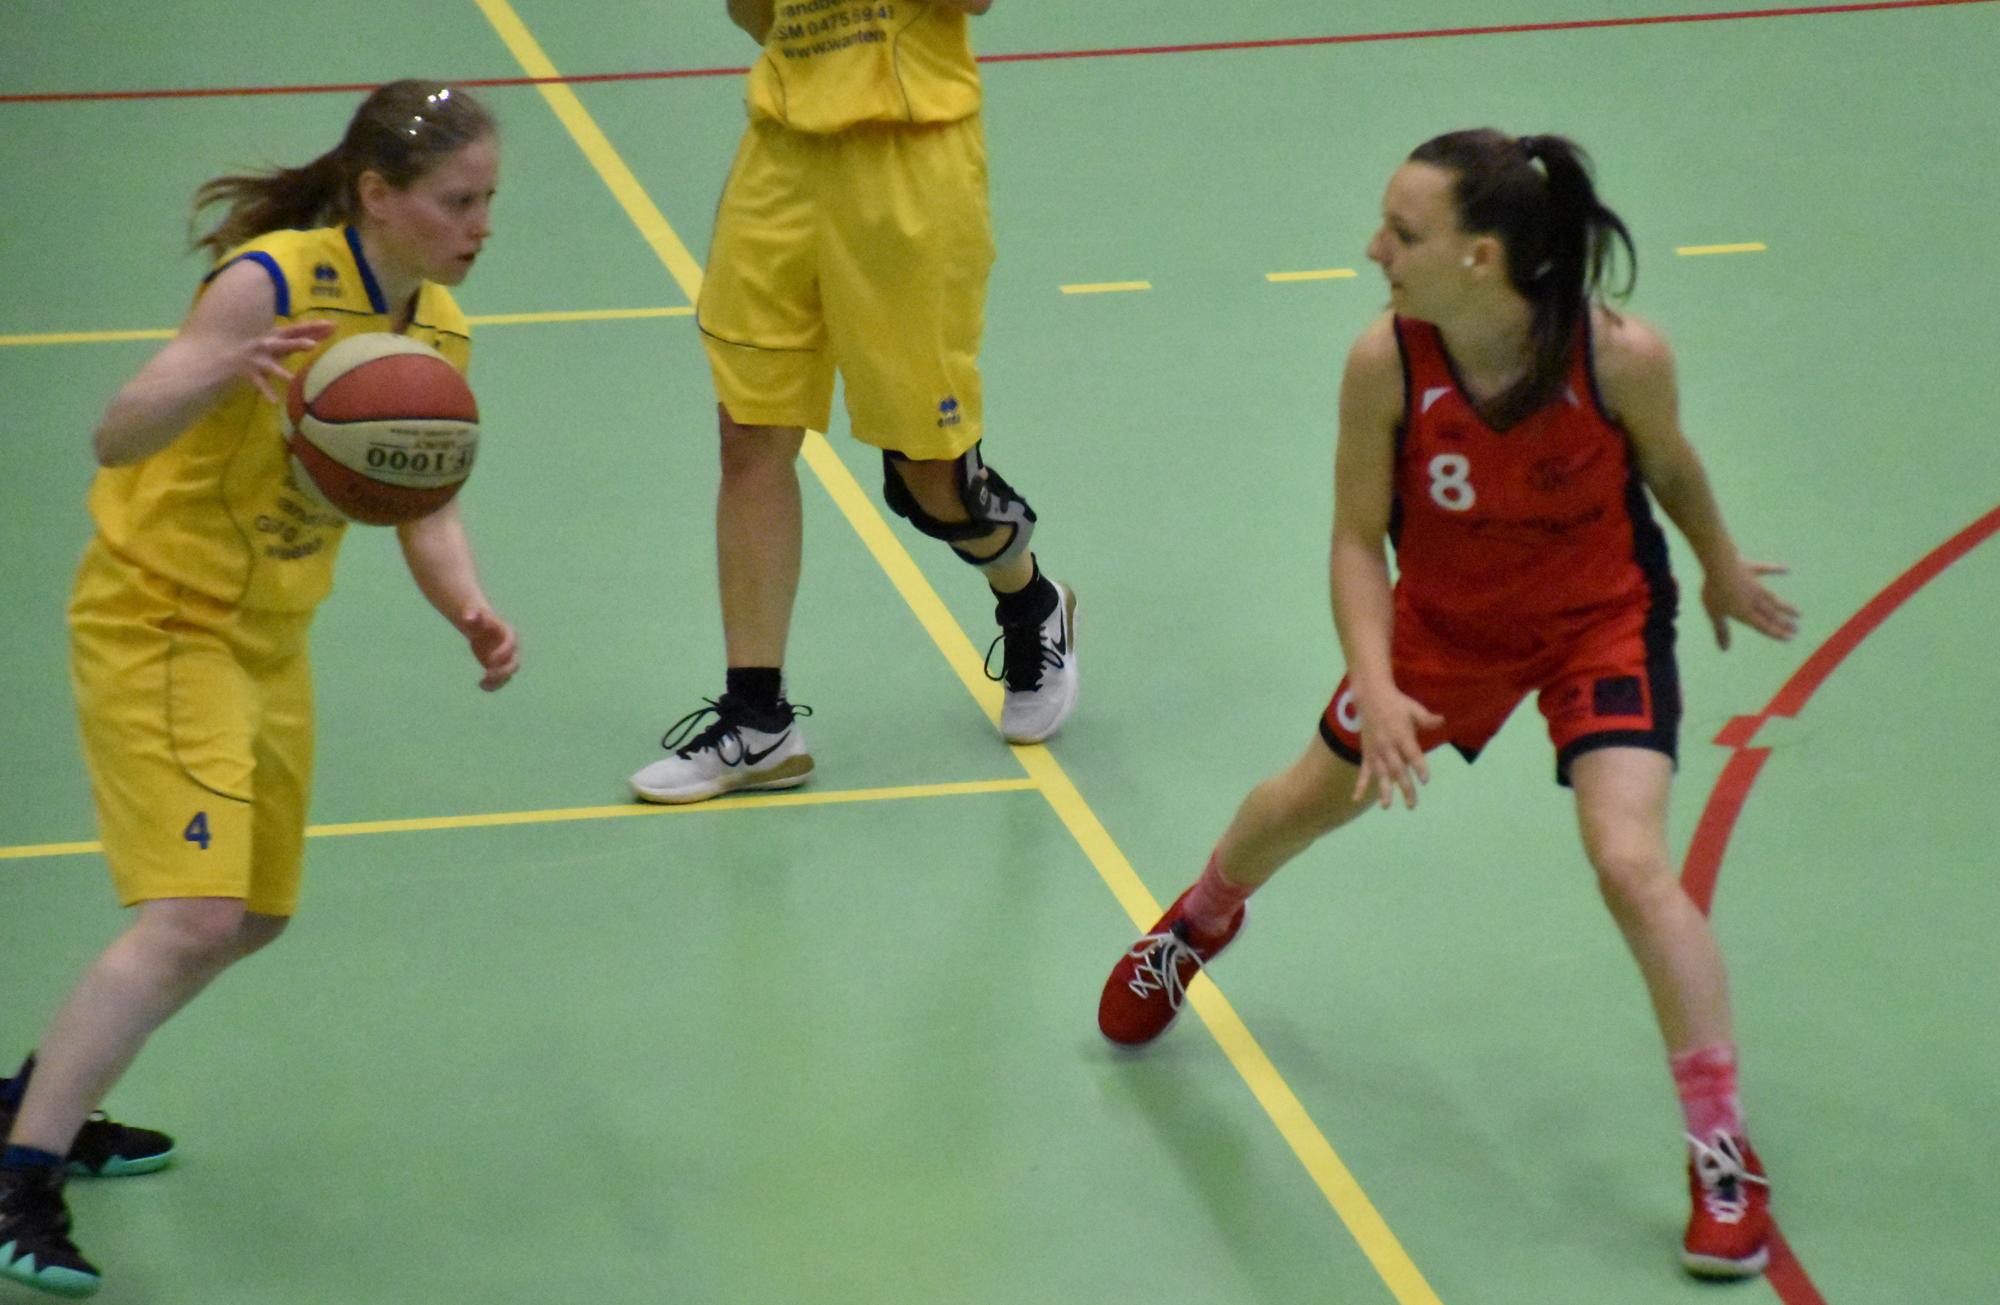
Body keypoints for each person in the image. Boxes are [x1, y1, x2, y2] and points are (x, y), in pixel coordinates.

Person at [1094, 129, 1801, 1280]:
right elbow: (1353, 538)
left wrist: (1716, 560)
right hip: (1440, 633)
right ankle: (1197, 923)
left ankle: (1719, 1150)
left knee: (1628, 864)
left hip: (1598, 624)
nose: (1373, 248)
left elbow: (1668, 465)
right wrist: (1374, 686)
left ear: (1480, 257)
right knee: (1298, 804)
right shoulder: (1386, 363)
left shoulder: (1617, 357)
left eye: (1401, 232)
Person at [0, 81, 517, 1298]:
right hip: (160, 617)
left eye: (490, 200)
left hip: (271, 636)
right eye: (458, 201)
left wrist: (467, 605)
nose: (481, 225)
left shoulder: (436, 329)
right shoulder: (270, 284)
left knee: (256, 916)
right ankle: (22, 1175)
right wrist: (221, 369)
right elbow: (117, 435)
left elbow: (421, 495)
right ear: (377, 195)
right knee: (193, 915)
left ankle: (37, 1097)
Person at [628, 0, 1079, 805]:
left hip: (910, 161)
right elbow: (755, 17)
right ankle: (758, 720)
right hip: (782, 158)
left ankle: (1031, 600)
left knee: (930, 480)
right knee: (748, 431)